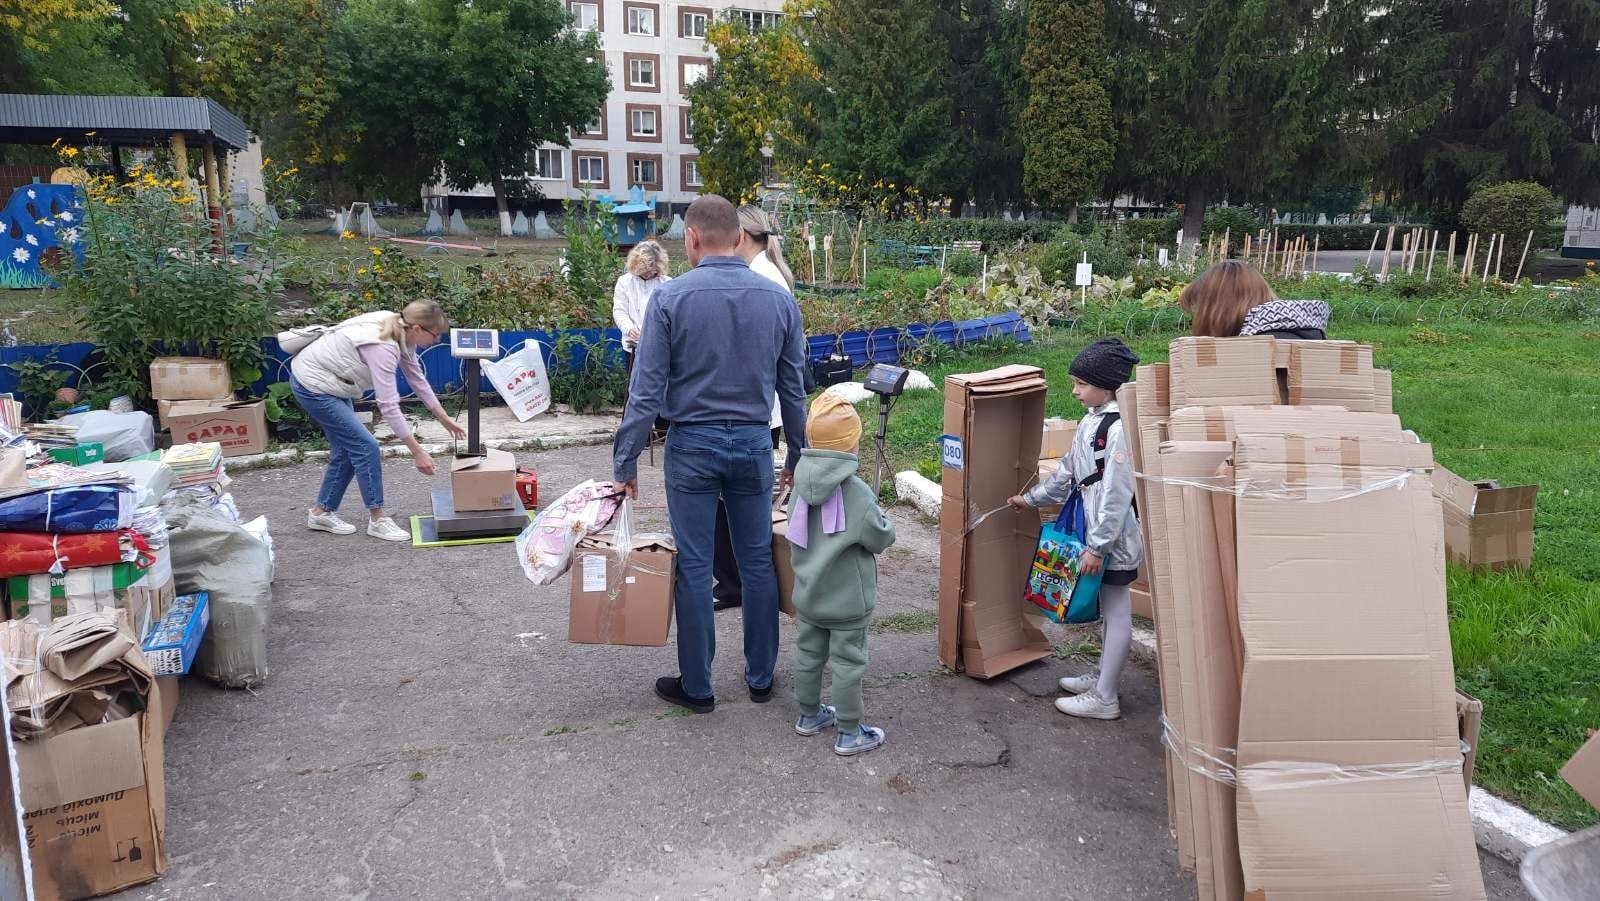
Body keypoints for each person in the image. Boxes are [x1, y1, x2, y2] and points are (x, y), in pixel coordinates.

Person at [613, 195, 809, 714]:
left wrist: (625, 461)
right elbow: (793, 390)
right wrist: (798, 454)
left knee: (697, 567)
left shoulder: (671, 299)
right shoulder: (777, 300)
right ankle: (761, 677)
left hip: (692, 447)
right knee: (757, 562)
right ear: (740, 237)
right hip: (752, 445)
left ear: (693, 239)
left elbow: (646, 389)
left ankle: (698, 687)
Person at [1008, 338, 1143, 720]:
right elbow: (1067, 472)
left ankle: (1105, 697)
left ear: (1105, 384)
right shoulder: (1092, 421)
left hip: (1112, 539)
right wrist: (1030, 499)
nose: (1075, 390)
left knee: (1117, 611)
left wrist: (1099, 548)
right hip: (1094, 530)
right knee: (1107, 610)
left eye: (1081, 383)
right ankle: (1102, 677)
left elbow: (1118, 494)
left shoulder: (1117, 430)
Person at [290, 300, 466, 542]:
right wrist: (417, 451)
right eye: (435, 335)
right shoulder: (383, 347)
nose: (437, 341)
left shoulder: (400, 329)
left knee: (346, 447)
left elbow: (417, 379)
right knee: (365, 446)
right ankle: (378, 518)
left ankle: (322, 512)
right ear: (417, 329)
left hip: (334, 384)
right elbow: (388, 406)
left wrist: (444, 418)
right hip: (314, 385)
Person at [788, 394, 896, 756]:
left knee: (808, 654)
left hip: (809, 594)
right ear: (852, 442)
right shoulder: (857, 492)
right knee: (848, 663)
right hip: (848, 600)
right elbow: (880, 537)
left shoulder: (798, 489)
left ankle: (808, 715)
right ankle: (849, 733)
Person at [710, 205, 806, 612]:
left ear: (741, 237)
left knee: (732, 508)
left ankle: (735, 583)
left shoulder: (761, 281)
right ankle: (737, 582)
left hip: (751, 412)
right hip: (762, 412)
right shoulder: (773, 277)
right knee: (741, 505)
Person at [1179, 260, 1330, 339]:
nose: (1196, 319)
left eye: (1198, 310)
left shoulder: (1262, 352)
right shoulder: (1304, 339)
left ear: (1220, 311)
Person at [612, 240, 672, 372]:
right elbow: (619, 311)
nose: (648, 274)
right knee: (634, 384)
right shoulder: (624, 282)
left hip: (660, 347)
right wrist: (629, 328)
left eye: (652, 270)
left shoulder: (667, 283)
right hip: (633, 347)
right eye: (644, 271)